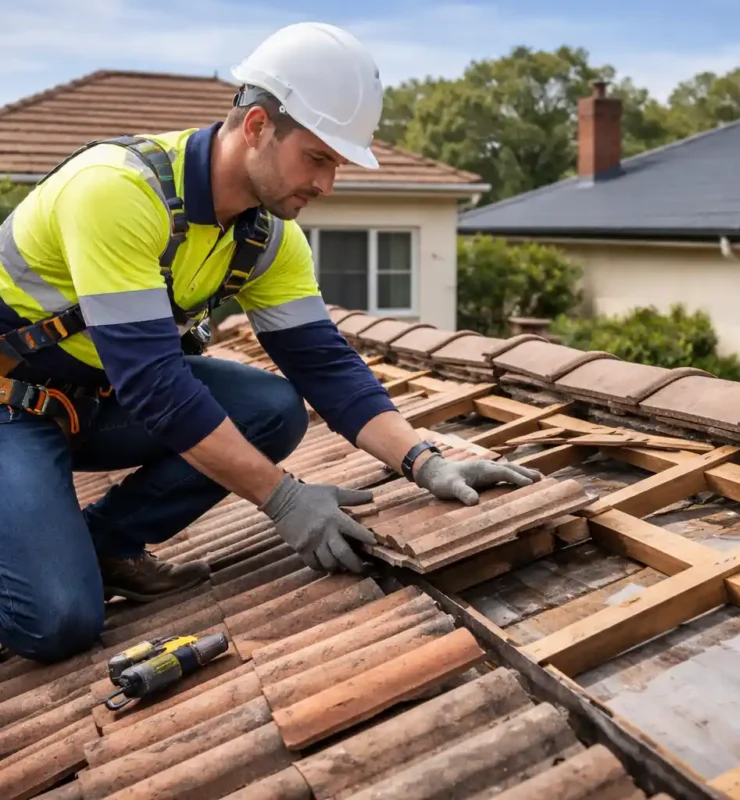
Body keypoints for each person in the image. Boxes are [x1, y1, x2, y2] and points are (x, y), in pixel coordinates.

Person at [0, 22, 541, 663]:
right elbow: (153, 382)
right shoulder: (116, 192)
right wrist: (283, 500)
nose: (327, 184)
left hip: (95, 402)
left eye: (337, 164)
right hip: (13, 408)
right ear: (257, 127)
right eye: (318, 158)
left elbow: (325, 365)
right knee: (59, 621)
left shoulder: (266, 238)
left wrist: (425, 462)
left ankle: (101, 544)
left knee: (273, 408)